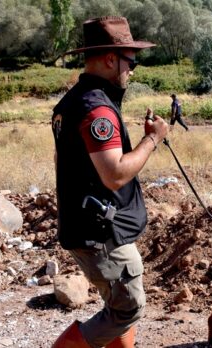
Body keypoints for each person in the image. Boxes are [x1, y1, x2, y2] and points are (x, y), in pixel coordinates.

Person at [50, 16, 168, 348]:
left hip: (90, 226)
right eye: (131, 60)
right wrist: (153, 140)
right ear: (110, 59)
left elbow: (64, 162)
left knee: (118, 306)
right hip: (100, 232)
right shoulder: (96, 108)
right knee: (126, 308)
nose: (134, 68)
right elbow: (115, 174)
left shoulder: (73, 101)